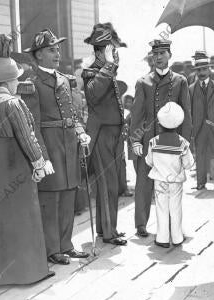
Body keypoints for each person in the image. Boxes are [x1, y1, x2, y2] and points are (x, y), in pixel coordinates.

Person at [0, 33, 54, 284]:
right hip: (14, 162)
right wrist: (39, 163)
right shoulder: (13, 104)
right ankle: (27, 271)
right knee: (23, 215)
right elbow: (26, 138)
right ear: (7, 81)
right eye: (14, 79)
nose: (15, 83)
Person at [23, 29, 90, 265]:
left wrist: (81, 132)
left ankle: (66, 245)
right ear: (39, 55)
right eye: (52, 50)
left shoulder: (64, 79)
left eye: (58, 49)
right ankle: (52, 249)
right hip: (50, 147)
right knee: (51, 199)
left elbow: (73, 112)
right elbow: (32, 125)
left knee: (70, 194)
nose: (57, 53)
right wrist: (42, 156)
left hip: (69, 145)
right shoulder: (32, 83)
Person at [130, 39, 192, 237]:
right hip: (148, 139)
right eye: (155, 54)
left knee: (172, 185)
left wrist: (186, 142)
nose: (158, 58)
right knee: (143, 183)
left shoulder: (180, 81)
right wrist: (135, 141)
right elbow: (137, 115)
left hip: (172, 139)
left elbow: (187, 114)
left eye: (162, 54)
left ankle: (174, 225)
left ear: (169, 56)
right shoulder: (143, 82)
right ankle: (141, 224)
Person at [82, 22, 127, 246]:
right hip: (101, 135)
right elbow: (93, 95)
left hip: (114, 133)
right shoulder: (91, 73)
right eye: (110, 50)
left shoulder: (107, 70)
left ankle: (105, 228)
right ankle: (109, 233)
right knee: (108, 184)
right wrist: (108, 66)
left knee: (111, 183)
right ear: (99, 52)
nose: (115, 54)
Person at [145, 102, 193, 248]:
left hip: (159, 181)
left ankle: (162, 238)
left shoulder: (153, 142)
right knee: (176, 208)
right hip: (176, 182)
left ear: (160, 123)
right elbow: (188, 164)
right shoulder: (183, 143)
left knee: (161, 209)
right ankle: (177, 238)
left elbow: (149, 161)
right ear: (178, 124)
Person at [189, 50, 214, 190]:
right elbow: (189, 110)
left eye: (204, 69)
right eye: (199, 70)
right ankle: (200, 182)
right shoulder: (191, 89)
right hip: (199, 126)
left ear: (209, 70)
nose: (201, 72)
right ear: (196, 72)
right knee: (200, 154)